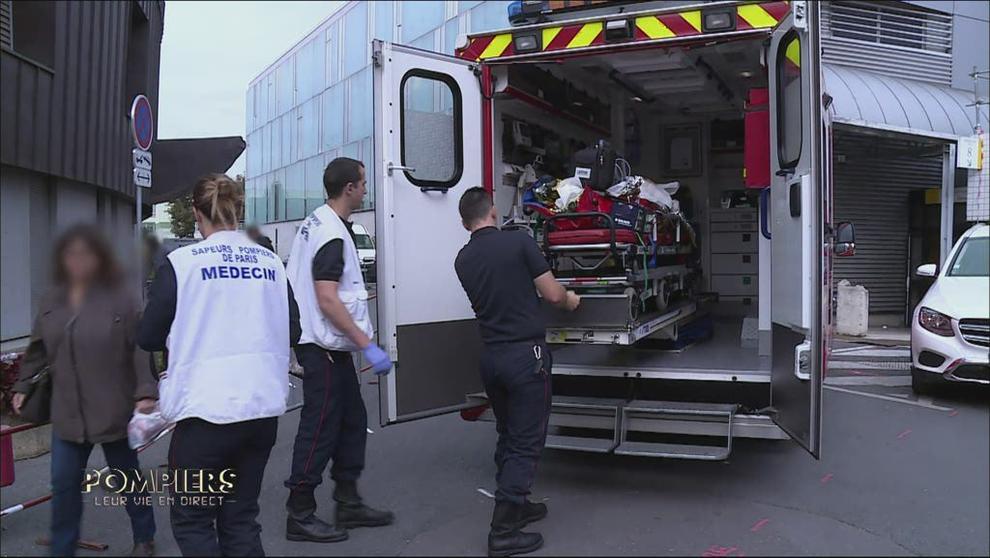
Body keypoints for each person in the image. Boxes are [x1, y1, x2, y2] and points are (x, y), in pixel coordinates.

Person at [137, 174, 301, 556]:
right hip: (260, 413)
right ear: (237, 211)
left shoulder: (181, 264)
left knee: (194, 521)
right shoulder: (271, 262)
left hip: (204, 418)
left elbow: (147, 336)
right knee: (241, 518)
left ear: (196, 213)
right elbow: (294, 329)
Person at [12, 224, 157, 557]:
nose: (77, 261)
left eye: (84, 254)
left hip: (113, 410)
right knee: (64, 486)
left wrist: (145, 391)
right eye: (70, 254)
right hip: (68, 413)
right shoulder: (53, 300)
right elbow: (36, 349)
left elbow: (140, 347)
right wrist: (23, 385)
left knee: (127, 479)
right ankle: (62, 549)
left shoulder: (120, 297)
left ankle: (144, 536)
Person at [453, 187, 580, 557]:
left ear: (465, 222)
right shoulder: (519, 242)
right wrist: (571, 300)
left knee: (509, 434)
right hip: (527, 356)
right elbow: (553, 295)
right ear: (493, 211)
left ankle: (517, 504)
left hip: (492, 358)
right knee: (526, 441)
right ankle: (503, 529)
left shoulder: (463, 259)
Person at [283, 157, 394, 543]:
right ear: (349, 188)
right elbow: (328, 299)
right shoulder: (330, 232)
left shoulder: (320, 221)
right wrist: (369, 347)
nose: (366, 189)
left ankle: (348, 501)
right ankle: (299, 511)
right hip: (323, 347)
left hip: (330, 346)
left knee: (350, 422)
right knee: (320, 428)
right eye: (363, 183)